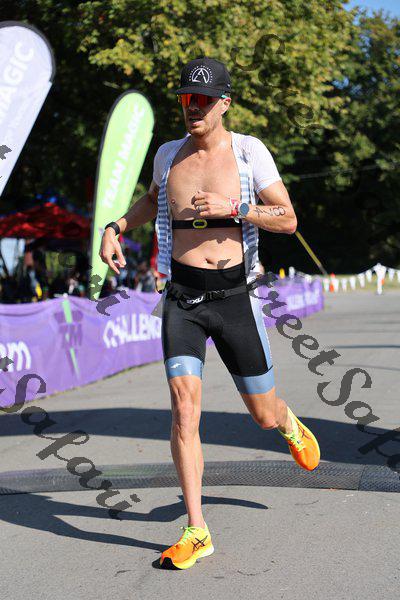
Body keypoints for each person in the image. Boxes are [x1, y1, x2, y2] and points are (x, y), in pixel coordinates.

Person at [99, 57, 320, 570]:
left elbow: (287, 218)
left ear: (224, 103)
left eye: (202, 99)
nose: (192, 107)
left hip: (234, 297)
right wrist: (115, 226)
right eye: (185, 99)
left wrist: (234, 208)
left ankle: (286, 421)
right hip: (183, 299)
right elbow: (150, 202)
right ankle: (197, 530)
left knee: (262, 414)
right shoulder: (167, 154)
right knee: (183, 409)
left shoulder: (249, 152)